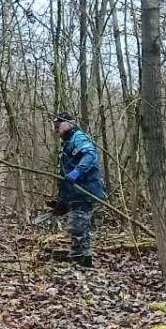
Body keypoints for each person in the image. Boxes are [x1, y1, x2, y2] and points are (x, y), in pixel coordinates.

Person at [49, 113, 104, 269]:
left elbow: (90, 154)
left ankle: (79, 262)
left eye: (58, 125)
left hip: (84, 192)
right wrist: (62, 201)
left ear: (69, 124)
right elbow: (65, 175)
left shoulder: (78, 138)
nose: (56, 129)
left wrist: (78, 171)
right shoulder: (67, 143)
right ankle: (85, 262)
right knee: (81, 228)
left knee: (77, 227)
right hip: (75, 194)